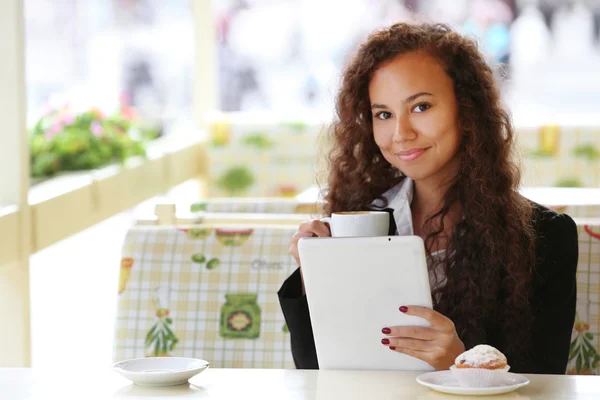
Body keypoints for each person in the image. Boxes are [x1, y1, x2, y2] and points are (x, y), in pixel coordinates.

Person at [278, 22, 578, 374]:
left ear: (466, 110)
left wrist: (458, 363)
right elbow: (315, 373)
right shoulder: (357, 223)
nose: (401, 134)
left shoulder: (545, 237)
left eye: (420, 107)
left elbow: (544, 384)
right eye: (384, 114)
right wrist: (312, 274)